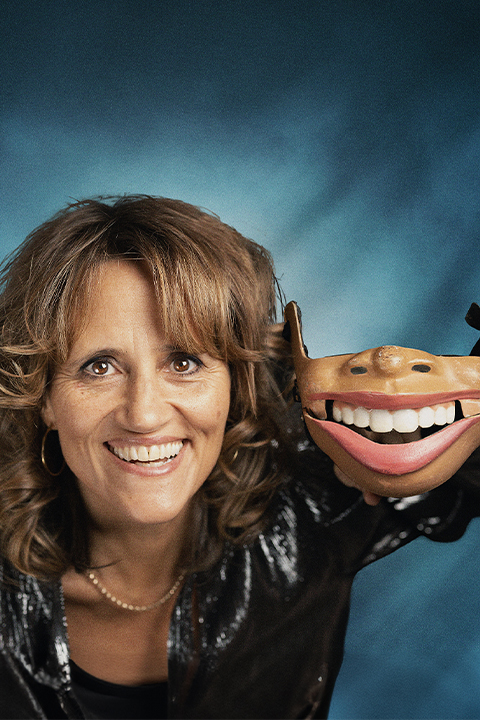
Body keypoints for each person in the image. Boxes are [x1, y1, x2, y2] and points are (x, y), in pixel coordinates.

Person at [0, 195, 478, 719]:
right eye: (98, 367)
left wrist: (371, 434)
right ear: (42, 396)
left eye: (184, 361)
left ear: (234, 384)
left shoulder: (313, 509)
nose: (144, 414)